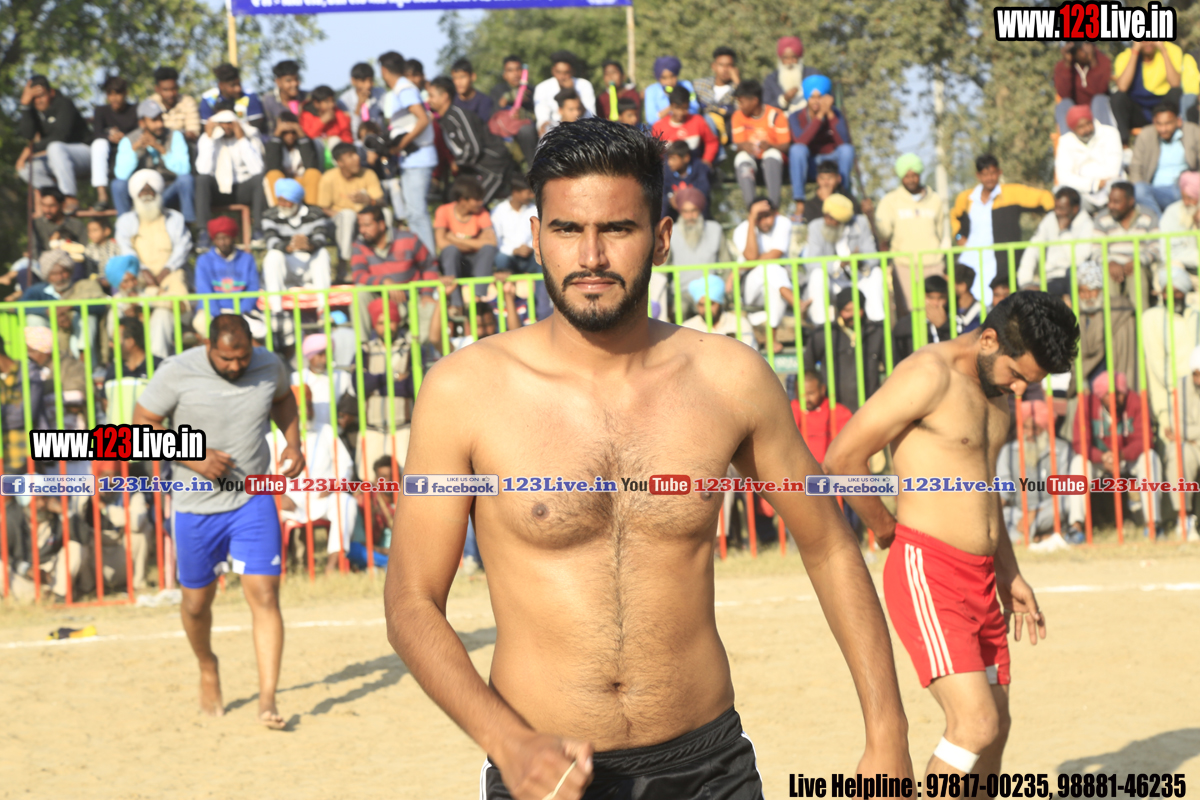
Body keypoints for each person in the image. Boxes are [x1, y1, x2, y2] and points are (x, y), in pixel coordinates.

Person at [384, 116, 912, 800]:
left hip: (710, 768)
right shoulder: (464, 391)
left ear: (661, 237)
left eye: (618, 229)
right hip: (546, 772)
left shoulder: (729, 379)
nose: (591, 256)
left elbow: (830, 546)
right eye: (567, 229)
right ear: (536, 236)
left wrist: (887, 732)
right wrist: (506, 741)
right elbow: (411, 600)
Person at [826, 291, 1076, 781]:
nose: (1020, 389)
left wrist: (1009, 573)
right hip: (930, 572)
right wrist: (885, 528)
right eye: (1017, 374)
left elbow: (982, 487)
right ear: (989, 339)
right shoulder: (928, 375)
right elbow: (841, 459)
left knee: (996, 727)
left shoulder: (998, 391)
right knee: (975, 725)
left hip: (983, 578)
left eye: (1030, 382)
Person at [132, 314, 305, 729]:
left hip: (252, 500)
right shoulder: (177, 371)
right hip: (195, 506)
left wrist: (293, 443)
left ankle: (267, 700)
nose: (236, 365)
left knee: (265, 595)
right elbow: (141, 426)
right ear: (209, 346)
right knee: (196, 605)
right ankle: (207, 666)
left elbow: (284, 399)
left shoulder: (269, 364)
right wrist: (194, 457)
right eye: (227, 359)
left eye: (242, 357)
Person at [268, 384, 356, 575]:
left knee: (346, 502)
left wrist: (334, 485)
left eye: (309, 406)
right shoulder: (272, 438)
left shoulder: (326, 431)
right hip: (289, 502)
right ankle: (276, 567)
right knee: (264, 511)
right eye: (301, 408)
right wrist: (277, 496)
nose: (307, 412)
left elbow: (345, 465)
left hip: (321, 499)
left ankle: (333, 564)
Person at [1068, 371, 1163, 536]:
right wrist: (1101, 456)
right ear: (1100, 395)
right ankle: (1076, 527)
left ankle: (1153, 524)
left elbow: (1145, 439)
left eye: (1119, 394)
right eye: (1109, 395)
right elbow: (1079, 442)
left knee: (1150, 458)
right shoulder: (1087, 403)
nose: (1115, 399)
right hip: (1099, 459)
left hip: (1126, 457)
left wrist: (1121, 455)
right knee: (1078, 463)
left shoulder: (1134, 401)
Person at [952, 154, 1055, 306]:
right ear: (978, 175)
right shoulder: (966, 198)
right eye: (985, 174)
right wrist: (958, 236)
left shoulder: (1012, 193)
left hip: (999, 261)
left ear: (999, 172)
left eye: (993, 173)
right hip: (971, 259)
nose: (990, 178)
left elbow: (1044, 198)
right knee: (968, 303)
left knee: (998, 303)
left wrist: (1053, 223)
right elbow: (955, 219)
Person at [875, 153, 948, 316]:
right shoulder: (890, 200)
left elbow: (940, 231)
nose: (911, 180)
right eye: (906, 176)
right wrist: (871, 217)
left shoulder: (935, 199)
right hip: (904, 265)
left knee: (936, 309)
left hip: (933, 263)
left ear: (919, 174)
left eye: (914, 175)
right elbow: (884, 233)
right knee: (910, 312)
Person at [379, 50, 437, 254]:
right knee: (413, 214)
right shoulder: (402, 88)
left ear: (384, 71)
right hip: (412, 159)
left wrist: (400, 145)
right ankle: (422, 259)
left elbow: (422, 119)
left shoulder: (404, 89)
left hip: (418, 158)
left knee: (417, 214)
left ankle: (429, 262)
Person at [995, 400, 1074, 545]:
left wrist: (1035, 513)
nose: (1030, 434)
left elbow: (1063, 493)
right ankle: (1040, 537)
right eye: (1025, 428)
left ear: (1045, 428)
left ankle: (1027, 536)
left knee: (1068, 503)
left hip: (1047, 510)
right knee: (998, 517)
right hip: (1018, 512)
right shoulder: (1008, 451)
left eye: (1035, 429)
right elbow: (1003, 490)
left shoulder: (1062, 450)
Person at [427, 76, 514, 205]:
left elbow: (474, 148)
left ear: (444, 96)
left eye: (431, 96)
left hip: (494, 168)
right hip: (475, 170)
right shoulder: (444, 120)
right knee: (453, 198)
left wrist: (457, 163)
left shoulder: (457, 116)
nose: (428, 100)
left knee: (473, 205)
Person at [804, 193, 883, 326]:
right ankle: (820, 327)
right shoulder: (816, 226)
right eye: (825, 216)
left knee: (876, 273)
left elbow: (873, 256)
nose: (827, 221)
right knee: (817, 275)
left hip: (858, 278)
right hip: (832, 281)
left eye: (831, 218)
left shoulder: (860, 223)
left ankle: (877, 324)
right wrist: (838, 264)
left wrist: (860, 260)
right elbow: (811, 262)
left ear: (842, 220)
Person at [1141, 265, 1200, 441]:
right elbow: (1158, 368)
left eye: (1177, 291)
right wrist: (1166, 417)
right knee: (1176, 449)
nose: (1173, 297)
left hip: (1197, 394)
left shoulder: (1195, 315)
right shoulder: (1152, 318)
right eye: (1168, 292)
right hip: (1170, 399)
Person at [195, 103, 267, 248]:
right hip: (218, 190)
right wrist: (209, 138)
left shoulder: (250, 137)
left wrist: (242, 140)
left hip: (242, 188)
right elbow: (203, 169)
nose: (226, 127)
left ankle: (259, 230)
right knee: (201, 180)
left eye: (229, 122)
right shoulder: (206, 139)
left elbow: (257, 169)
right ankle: (203, 233)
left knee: (261, 179)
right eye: (222, 123)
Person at [261, 178, 334, 321]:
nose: (282, 205)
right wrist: (289, 247)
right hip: (286, 265)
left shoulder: (315, 213)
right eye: (280, 200)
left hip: (309, 265)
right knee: (273, 255)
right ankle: (277, 311)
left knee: (322, 253)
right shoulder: (269, 215)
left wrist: (309, 246)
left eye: (286, 201)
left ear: (296, 201)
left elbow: (320, 238)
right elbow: (271, 241)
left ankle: (323, 309)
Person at [16, 75, 91, 213]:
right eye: (34, 98)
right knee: (25, 168)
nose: (38, 101)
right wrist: (25, 106)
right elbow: (28, 135)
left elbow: (60, 136)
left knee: (55, 147)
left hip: (85, 154)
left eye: (41, 96)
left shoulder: (64, 104)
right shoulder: (35, 111)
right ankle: (57, 197)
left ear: (51, 92)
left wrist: (29, 150)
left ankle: (70, 197)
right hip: (58, 159)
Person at [112, 99, 194, 221]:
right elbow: (121, 175)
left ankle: (188, 224)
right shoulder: (128, 140)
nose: (159, 124)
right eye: (154, 120)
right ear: (142, 123)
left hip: (167, 192)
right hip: (140, 196)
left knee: (186, 180)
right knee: (117, 185)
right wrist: (135, 150)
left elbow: (184, 170)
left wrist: (161, 149)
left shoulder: (175, 136)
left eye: (161, 119)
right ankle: (125, 226)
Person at [804, 286, 883, 411]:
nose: (853, 315)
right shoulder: (824, 334)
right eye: (847, 310)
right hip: (833, 411)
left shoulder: (876, 332)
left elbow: (893, 368)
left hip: (869, 409)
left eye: (857, 309)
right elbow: (807, 367)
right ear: (839, 309)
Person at [731, 198, 794, 350]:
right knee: (769, 267)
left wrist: (748, 265)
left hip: (774, 286)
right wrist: (752, 221)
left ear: (775, 213)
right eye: (759, 217)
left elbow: (776, 254)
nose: (765, 221)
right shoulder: (741, 229)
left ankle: (771, 339)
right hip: (751, 290)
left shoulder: (783, 222)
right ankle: (795, 301)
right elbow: (751, 256)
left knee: (773, 280)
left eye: (768, 216)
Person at [1111, 40, 1200, 145]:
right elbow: (1122, 87)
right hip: (1139, 110)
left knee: (1176, 92)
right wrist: (1135, 51)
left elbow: (1175, 83)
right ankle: (1124, 144)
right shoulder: (1124, 57)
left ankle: (1179, 141)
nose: (1148, 42)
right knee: (1118, 97)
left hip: (1164, 107)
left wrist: (1163, 50)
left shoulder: (1171, 50)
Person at [788, 74, 855, 209]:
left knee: (847, 150)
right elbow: (801, 140)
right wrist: (819, 116)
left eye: (820, 97)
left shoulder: (836, 114)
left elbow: (843, 141)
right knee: (797, 150)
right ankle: (799, 201)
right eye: (812, 97)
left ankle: (843, 193)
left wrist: (829, 114)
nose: (816, 101)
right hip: (810, 164)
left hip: (832, 163)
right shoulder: (795, 116)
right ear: (807, 98)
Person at [1093, 181, 1160, 311]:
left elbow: (1156, 248)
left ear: (1130, 201)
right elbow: (1096, 251)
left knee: (1136, 273)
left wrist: (1137, 261)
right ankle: (1114, 321)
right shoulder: (1101, 218)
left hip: (1140, 266)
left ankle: (1141, 320)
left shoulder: (1149, 216)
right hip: (1112, 267)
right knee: (1108, 273)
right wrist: (1109, 262)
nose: (1111, 205)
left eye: (1116, 202)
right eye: (1109, 201)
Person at [435, 178, 498, 316]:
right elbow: (441, 244)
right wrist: (476, 243)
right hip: (454, 263)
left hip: (475, 263)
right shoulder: (443, 211)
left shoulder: (482, 213)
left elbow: (491, 243)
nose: (481, 203)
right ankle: (456, 304)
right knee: (451, 251)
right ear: (463, 200)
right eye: (477, 199)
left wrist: (455, 239)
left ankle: (478, 298)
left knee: (488, 250)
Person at [490, 177, 549, 322]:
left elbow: (540, 234)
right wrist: (514, 250)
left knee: (543, 261)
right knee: (500, 259)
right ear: (515, 193)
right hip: (508, 256)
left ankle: (538, 308)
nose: (531, 195)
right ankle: (506, 303)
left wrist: (530, 247)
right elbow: (495, 240)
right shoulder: (498, 211)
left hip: (530, 255)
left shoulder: (534, 209)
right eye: (527, 192)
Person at [1016, 187, 1099, 288]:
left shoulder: (1087, 224)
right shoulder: (1050, 218)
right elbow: (1033, 248)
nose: (1057, 212)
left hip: (1075, 280)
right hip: (1051, 278)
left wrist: (1063, 232)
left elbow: (1078, 260)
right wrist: (1025, 282)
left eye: (1062, 208)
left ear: (1075, 208)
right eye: (1056, 207)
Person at [1128, 103, 1200, 216]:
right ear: (1153, 122)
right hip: (1156, 190)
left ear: (1178, 121)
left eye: (1168, 123)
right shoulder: (1146, 135)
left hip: (1186, 188)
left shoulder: (1193, 131)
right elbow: (1135, 168)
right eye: (1159, 124)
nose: (1163, 129)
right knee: (1138, 189)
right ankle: (1159, 222)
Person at [319, 141, 385, 263]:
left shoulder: (368, 173)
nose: (357, 158)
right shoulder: (328, 178)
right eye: (350, 156)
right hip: (336, 224)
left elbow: (382, 202)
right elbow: (324, 208)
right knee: (348, 216)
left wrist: (368, 200)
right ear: (340, 162)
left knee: (387, 214)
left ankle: (386, 257)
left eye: (356, 154)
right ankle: (345, 263)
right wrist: (348, 217)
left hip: (364, 221)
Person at [730, 79, 789, 211]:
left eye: (742, 102)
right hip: (752, 166)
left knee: (772, 154)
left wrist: (771, 146)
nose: (739, 106)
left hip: (774, 166)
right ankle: (752, 209)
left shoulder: (776, 115)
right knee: (741, 157)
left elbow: (785, 145)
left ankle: (773, 208)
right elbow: (738, 144)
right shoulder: (738, 116)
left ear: (754, 101)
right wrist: (743, 146)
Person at [1054, 105, 1123, 214]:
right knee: (1061, 194)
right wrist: (1094, 184)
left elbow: (1113, 170)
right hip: (1082, 193)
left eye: (1089, 123)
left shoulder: (1110, 133)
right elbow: (1064, 177)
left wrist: (1097, 182)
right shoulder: (1065, 142)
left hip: (1110, 190)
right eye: (1081, 127)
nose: (1087, 129)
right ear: (1073, 129)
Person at [1162, 345, 1200, 540]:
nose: (1198, 379)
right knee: (1178, 453)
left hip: (1193, 441)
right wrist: (1187, 437)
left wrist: (1190, 435)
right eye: (1196, 374)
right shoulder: (1183, 386)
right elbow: (1177, 425)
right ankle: (1184, 519)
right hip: (1191, 446)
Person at [194, 217, 261, 321]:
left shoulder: (247, 259)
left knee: (260, 327)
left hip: (243, 312)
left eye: (226, 238)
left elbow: (253, 288)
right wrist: (218, 316)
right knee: (200, 322)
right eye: (218, 239)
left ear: (233, 237)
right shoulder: (203, 260)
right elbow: (204, 290)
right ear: (214, 239)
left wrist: (239, 314)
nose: (222, 243)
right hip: (212, 312)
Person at [667, 187, 728, 301]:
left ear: (700, 210)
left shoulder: (715, 229)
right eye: (685, 211)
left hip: (710, 294)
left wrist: (723, 291)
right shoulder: (671, 232)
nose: (690, 216)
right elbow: (662, 268)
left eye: (694, 210)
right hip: (681, 295)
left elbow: (727, 265)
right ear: (680, 212)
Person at [90, 75, 139, 211]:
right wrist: (110, 136)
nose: (114, 98)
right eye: (110, 94)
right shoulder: (101, 111)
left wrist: (125, 138)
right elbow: (96, 134)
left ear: (125, 93)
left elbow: (140, 132)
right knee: (98, 144)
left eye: (118, 94)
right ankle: (102, 194)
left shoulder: (135, 110)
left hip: (130, 152)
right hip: (109, 154)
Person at [1053, 42, 1115, 134]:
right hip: (1076, 111)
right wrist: (1067, 64)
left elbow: (1101, 90)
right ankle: (1068, 139)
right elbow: (1064, 94)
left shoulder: (1102, 60)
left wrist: (1092, 60)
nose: (1082, 52)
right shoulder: (1063, 66)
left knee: (1099, 99)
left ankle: (1106, 137)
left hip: (1099, 109)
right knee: (1063, 104)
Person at [292, 334, 352, 429]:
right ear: (310, 356)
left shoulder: (342, 377)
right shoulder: (296, 378)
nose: (324, 359)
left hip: (334, 434)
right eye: (320, 355)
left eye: (328, 354)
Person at [679, 274, 756, 348]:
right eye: (701, 305)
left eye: (711, 304)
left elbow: (749, 352)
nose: (706, 309)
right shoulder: (688, 328)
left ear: (720, 303)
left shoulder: (739, 323)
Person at [263, 111, 323, 206]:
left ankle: (312, 209)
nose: (290, 135)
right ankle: (277, 209)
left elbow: (311, 165)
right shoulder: (274, 144)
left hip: (301, 181)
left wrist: (301, 134)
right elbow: (272, 166)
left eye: (293, 132)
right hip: (284, 184)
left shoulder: (306, 143)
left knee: (313, 173)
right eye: (285, 132)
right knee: (273, 174)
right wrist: (277, 134)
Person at [651, 86, 718, 170]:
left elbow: (711, 142)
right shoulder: (659, 127)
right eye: (677, 108)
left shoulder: (698, 121)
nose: (681, 113)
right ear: (671, 106)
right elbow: (655, 154)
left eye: (684, 108)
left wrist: (706, 162)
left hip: (695, 170)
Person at [489, 55, 538, 165]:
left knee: (526, 130)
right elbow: (494, 114)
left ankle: (532, 166)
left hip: (527, 135)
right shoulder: (498, 90)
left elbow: (539, 115)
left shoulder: (532, 91)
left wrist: (525, 115)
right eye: (510, 70)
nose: (515, 74)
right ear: (504, 75)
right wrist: (507, 98)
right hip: (505, 135)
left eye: (518, 69)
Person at [533, 51, 596, 134]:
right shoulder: (542, 88)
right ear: (553, 71)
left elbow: (590, 116)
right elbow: (542, 118)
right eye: (558, 72)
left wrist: (572, 90)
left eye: (566, 73)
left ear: (573, 71)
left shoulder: (584, 85)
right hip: (554, 130)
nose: (562, 77)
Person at [198, 63, 266, 134]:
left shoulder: (250, 96)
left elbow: (256, 128)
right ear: (221, 85)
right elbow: (206, 130)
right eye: (233, 85)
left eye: (239, 84)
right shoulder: (208, 99)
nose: (238, 89)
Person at [693, 47, 740, 145]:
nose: (725, 70)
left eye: (729, 66)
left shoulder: (737, 89)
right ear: (713, 66)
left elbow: (743, 110)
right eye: (721, 65)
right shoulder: (699, 85)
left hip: (728, 136)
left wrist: (737, 82)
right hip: (701, 135)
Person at [762, 35, 817, 116]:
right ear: (780, 59)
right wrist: (784, 99)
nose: (790, 62)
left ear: (799, 58)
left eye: (794, 57)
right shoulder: (771, 80)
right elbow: (765, 107)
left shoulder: (812, 74)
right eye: (785, 58)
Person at [661, 141, 713, 220]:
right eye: (669, 158)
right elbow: (662, 193)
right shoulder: (665, 171)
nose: (669, 163)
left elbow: (704, 192)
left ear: (686, 158)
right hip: (673, 213)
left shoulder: (700, 168)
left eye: (673, 159)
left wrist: (685, 197)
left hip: (695, 213)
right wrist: (670, 198)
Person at [1160, 170, 1200, 271]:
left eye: (1190, 198)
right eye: (1183, 197)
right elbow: (1167, 253)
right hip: (1181, 268)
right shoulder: (1172, 211)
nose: (1186, 203)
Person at [149, 66, 201, 143]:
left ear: (178, 87)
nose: (170, 94)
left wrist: (179, 136)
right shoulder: (150, 103)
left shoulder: (188, 102)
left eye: (173, 89)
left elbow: (193, 134)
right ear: (157, 89)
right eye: (165, 90)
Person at [643, 55, 699, 124]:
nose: (669, 81)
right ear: (658, 78)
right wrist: (673, 106)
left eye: (672, 76)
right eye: (664, 78)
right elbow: (651, 119)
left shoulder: (686, 85)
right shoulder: (650, 91)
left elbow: (695, 109)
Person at [103, 317, 161, 381]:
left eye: (114, 341)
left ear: (130, 341)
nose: (110, 344)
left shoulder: (158, 367)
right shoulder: (113, 371)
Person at [340, 62, 386, 140]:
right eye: (363, 81)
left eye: (370, 80)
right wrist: (359, 105)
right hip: (357, 140)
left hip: (379, 137)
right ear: (353, 81)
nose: (368, 85)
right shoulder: (344, 101)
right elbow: (351, 129)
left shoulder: (381, 93)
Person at [299, 85, 352, 150]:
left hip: (336, 150)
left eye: (333, 100)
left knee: (335, 140)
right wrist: (322, 121)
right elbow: (309, 136)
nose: (332, 104)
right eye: (327, 101)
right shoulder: (306, 115)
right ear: (316, 103)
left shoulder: (337, 112)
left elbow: (345, 133)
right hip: (315, 151)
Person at [261, 59, 307, 134]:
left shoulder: (307, 98)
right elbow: (268, 131)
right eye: (289, 81)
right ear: (278, 82)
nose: (294, 84)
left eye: (296, 79)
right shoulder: (268, 100)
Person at [450, 58, 494, 122]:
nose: (458, 82)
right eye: (455, 78)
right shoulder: (451, 102)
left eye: (462, 77)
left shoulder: (484, 101)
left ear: (473, 77)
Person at [950, 264, 982, 334]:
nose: (943, 288)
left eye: (947, 283)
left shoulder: (981, 313)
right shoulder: (948, 308)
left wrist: (943, 325)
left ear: (962, 286)